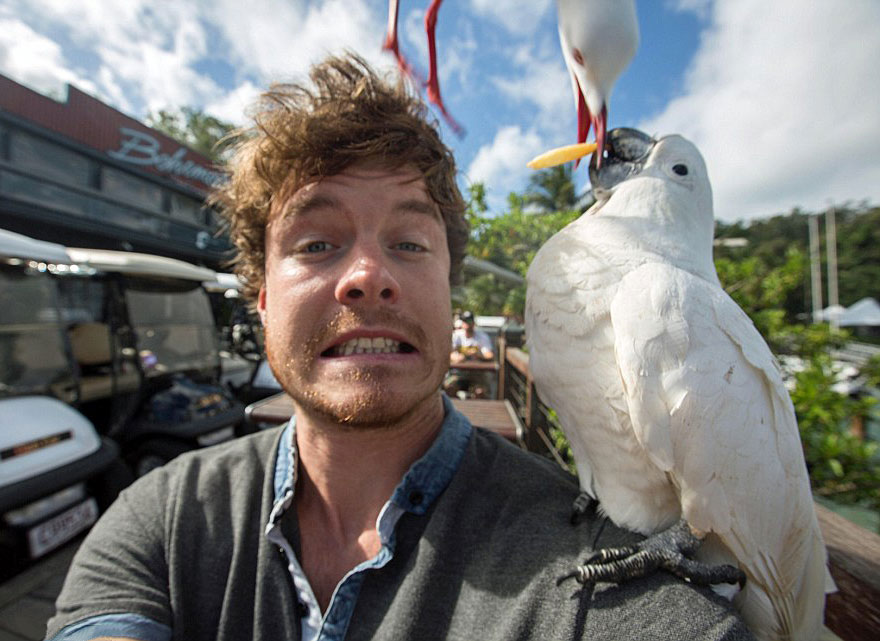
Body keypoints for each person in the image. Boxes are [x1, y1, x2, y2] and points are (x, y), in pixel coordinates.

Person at [45, 54, 754, 641]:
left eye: (410, 243)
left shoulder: (585, 576)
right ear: (260, 295)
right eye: (317, 243)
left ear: (450, 289)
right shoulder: (161, 521)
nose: (368, 278)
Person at [446, 310, 495, 398]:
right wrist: (457, 357)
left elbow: (489, 355)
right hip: (459, 374)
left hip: (477, 374)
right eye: (465, 321)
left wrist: (478, 355)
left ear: (473, 323)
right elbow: (448, 353)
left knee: (480, 392)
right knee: (449, 387)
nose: (467, 324)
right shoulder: (456, 336)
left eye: (469, 321)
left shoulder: (481, 336)